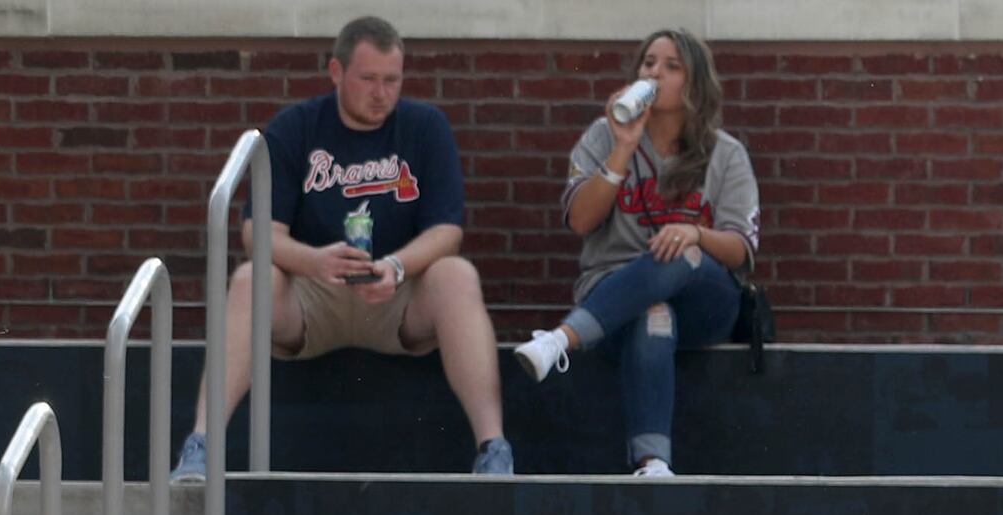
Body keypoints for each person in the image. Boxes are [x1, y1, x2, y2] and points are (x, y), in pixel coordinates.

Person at [176, 16, 511, 480]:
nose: (381, 93)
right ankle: (201, 446)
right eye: (368, 79)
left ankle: (493, 449)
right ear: (336, 72)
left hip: (397, 293)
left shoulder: (425, 126)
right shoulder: (295, 128)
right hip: (312, 296)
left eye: (391, 80)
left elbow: (446, 232)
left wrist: (396, 265)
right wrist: (315, 261)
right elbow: (258, 234)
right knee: (251, 277)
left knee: (457, 274)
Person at [507, 31, 760, 478]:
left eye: (670, 66)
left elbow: (741, 249)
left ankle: (561, 340)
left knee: (680, 251)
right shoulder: (603, 136)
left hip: (706, 297)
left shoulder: (726, 153)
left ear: (695, 84)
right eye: (648, 63)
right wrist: (622, 147)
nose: (654, 73)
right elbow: (581, 221)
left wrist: (694, 234)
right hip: (616, 295)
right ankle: (654, 462)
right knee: (652, 311)